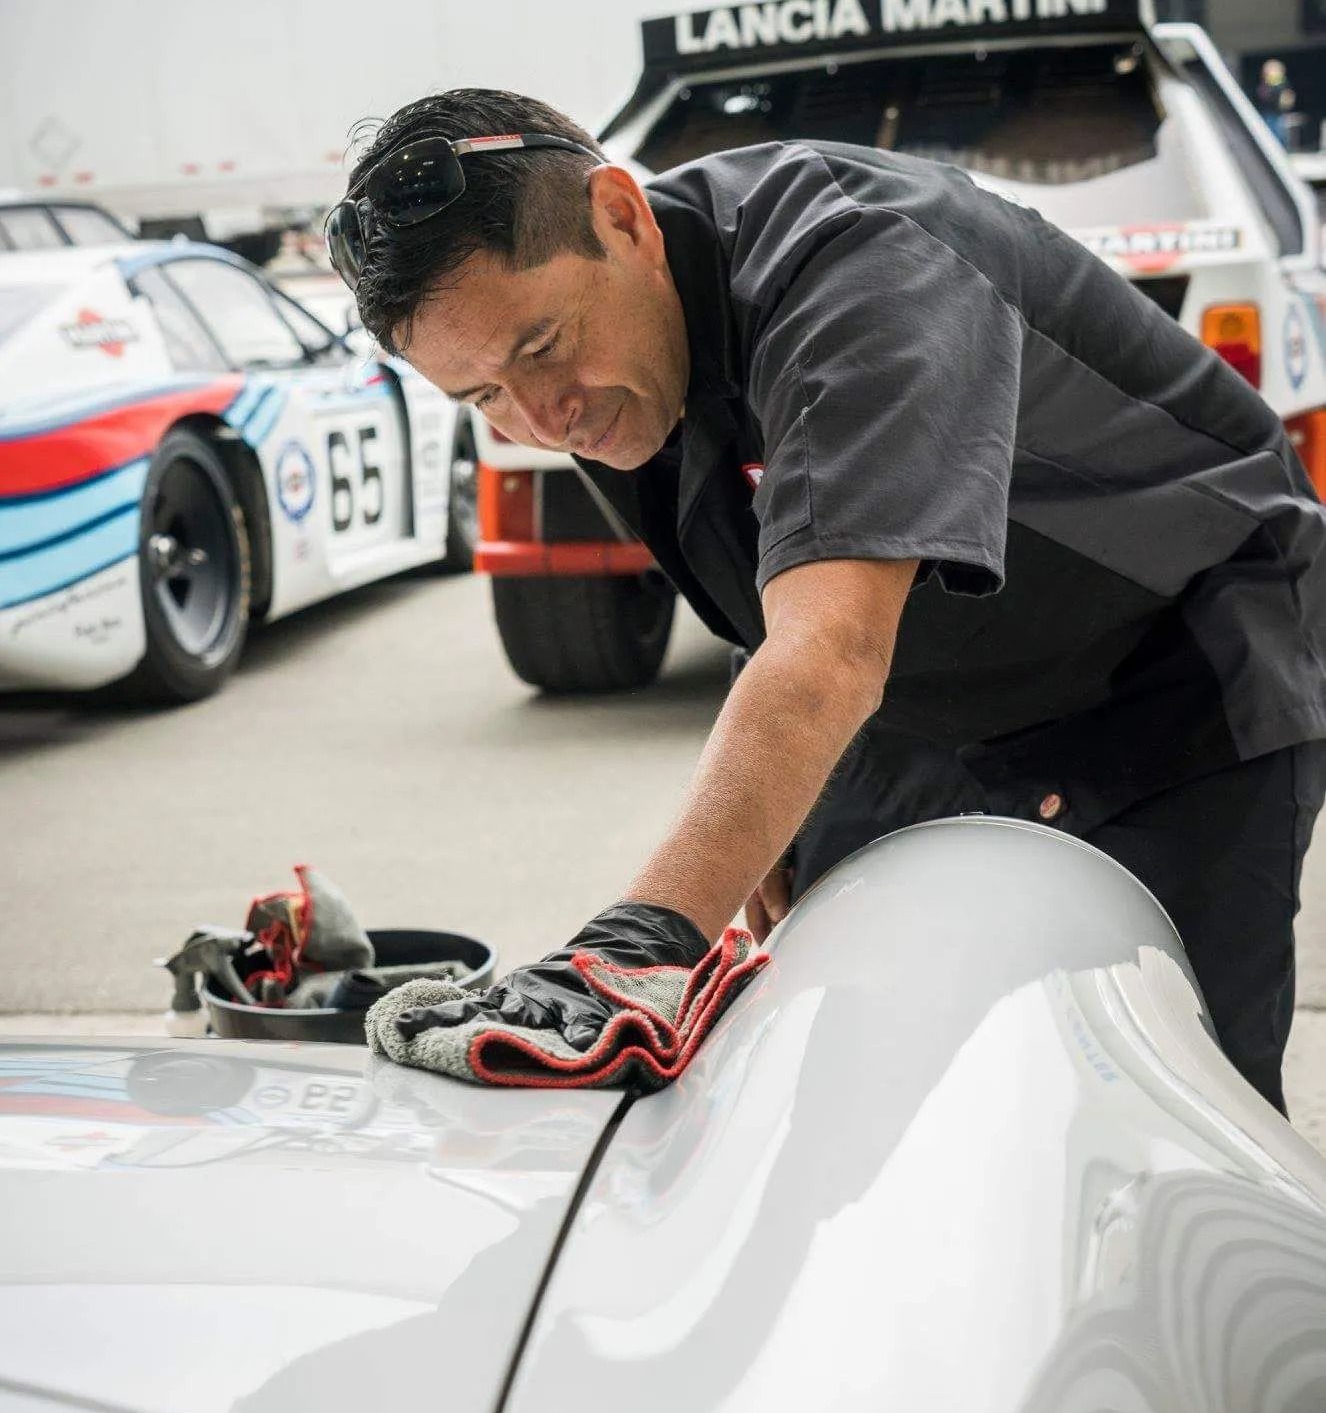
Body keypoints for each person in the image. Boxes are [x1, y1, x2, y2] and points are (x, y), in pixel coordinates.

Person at [326, 89, 1326, 1111]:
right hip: (935, 673)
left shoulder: (870, 264)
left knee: (1163, 1108)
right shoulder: (616, 357)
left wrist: (643, 939)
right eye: (483, 395)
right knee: (840, 1072)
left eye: (540, 349)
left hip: (1182, 648)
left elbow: (833, 651)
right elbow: (780, 597)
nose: (542, 416)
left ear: (622, 217)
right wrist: (764, 827)